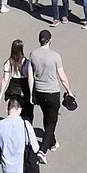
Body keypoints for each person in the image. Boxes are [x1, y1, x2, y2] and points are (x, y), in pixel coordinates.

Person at [28, 30, 74, 158]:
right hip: (53, 93)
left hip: (39, 92)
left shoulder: (33, 54)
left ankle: (52, 142)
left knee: (46, 116)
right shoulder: (55, 56)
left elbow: (30, 77)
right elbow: (62, 76)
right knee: (51, 122)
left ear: (39, 40)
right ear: (50, 40)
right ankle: (42, 150)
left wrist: (32, 93)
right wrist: (69, 91)